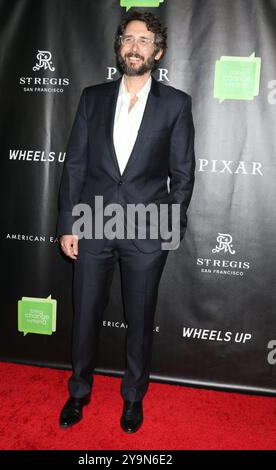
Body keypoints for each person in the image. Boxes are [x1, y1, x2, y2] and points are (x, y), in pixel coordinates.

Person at [57, 10, 195, 433]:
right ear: (120, 46)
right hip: (94, 223)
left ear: (159, 51)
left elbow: (184, 174)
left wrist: (165, 228)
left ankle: (133, 397)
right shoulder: (93, 97)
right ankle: (78, 392)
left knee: (139, 317)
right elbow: (75, 166)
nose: (135, 47)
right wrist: (68, 223)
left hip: (146, 229)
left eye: (144, 40)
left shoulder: (175, 103)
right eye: (128, 39)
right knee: (85, 316)